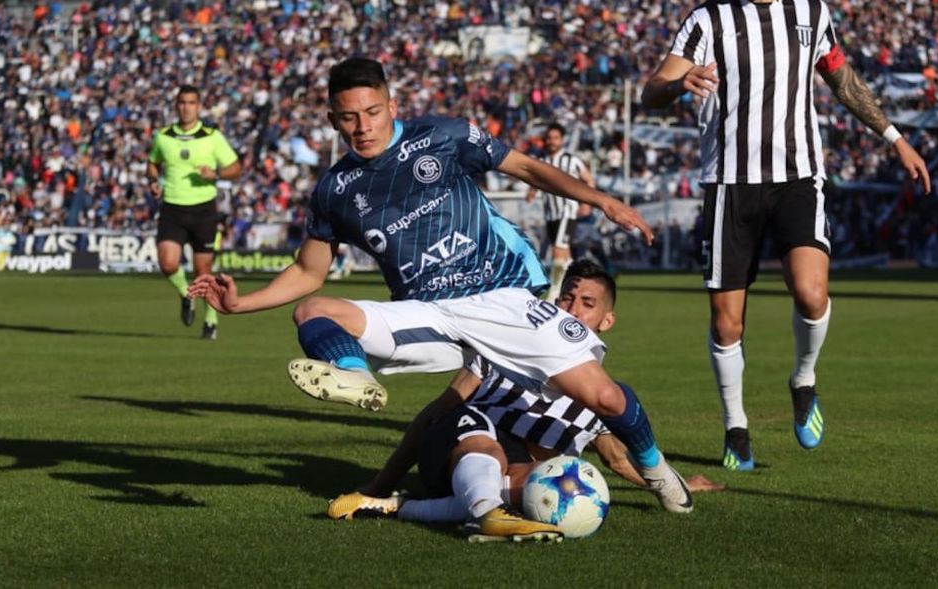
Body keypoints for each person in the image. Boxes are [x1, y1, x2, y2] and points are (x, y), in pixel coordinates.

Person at [189, 58, 691, 515]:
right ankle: (355, 375)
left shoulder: (442, 137)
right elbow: (309, 272)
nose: (362, 127)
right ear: (331, 119)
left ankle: (657, 470)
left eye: (372, 112)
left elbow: (527, 167)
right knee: (313, 311)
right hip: (428, 314)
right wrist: (241, 303)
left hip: (503, 300)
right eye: (348, 117)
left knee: (605, 398)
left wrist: (602, 200)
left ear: (392, 105)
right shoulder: (335, 190)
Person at [641, 0, 931, 470]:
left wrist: (895, 137)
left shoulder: (811, 12)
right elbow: (651, 90)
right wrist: (683, 81)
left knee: (811, 292)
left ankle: (803, 379)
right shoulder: (707, 20)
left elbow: (842, 80)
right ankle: (736, 427)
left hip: (798, 176)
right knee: (728, 324)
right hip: (730, 183)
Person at [325, 261, 722, 542]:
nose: (572, 309)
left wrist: (676, 485)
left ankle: (416, 508)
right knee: (480, 434)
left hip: (504, 479)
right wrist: (380, 482)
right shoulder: (500, 352)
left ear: (606, 321)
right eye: (567, 298)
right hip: (454, 449)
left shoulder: (600, 399)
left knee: (544, 478)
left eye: (587, 303)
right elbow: (434, 415)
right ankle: (460, 505)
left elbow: (617, 459)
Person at [148, 84, 241, 340]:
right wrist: (153, 181)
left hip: (203, 211)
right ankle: (185, 294)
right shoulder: (163, 136)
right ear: (176, 105)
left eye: (191, 102)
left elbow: (236, 168)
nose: (186, 107)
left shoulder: (212, 137)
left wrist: (217, 173)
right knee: (167, 263)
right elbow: (153, 163)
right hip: (172, 208)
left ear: (198, 106)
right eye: (182, 102)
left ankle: (210, 320)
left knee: (204, 273)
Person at [526, 123, 595, 301]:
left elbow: (588, 179)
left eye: (555, 138)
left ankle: (554, 294)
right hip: (551, 214)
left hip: (567, 211)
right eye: (549, 138)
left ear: (562, 139)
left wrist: (587, 202)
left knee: (558, 252)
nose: (552, 141)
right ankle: (579, 287)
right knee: (565, 258)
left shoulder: (572, 160)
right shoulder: (542, 161)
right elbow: (536, 179)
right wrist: (532, 190)